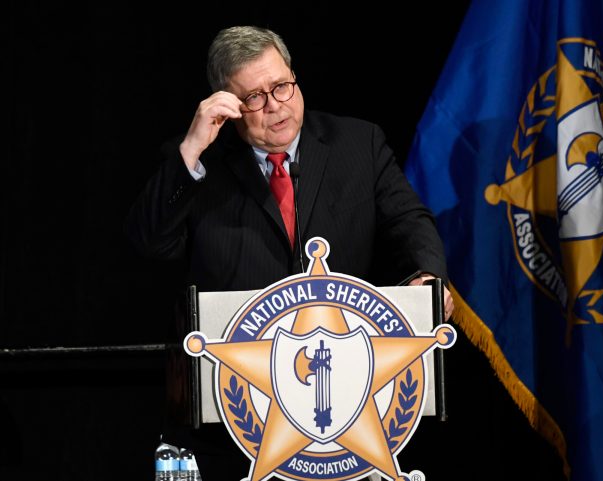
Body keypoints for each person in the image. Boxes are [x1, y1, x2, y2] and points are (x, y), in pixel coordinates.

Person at [125, 25, 454, 479]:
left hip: (345, 423)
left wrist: (428, 280)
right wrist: (191, 149)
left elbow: (409, 222)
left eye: (281, 86)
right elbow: (149, 243)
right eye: (255, 98)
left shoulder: (358, 144)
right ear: (227, 105)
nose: (275, 105)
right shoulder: (200, 167)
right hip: (233, 424)